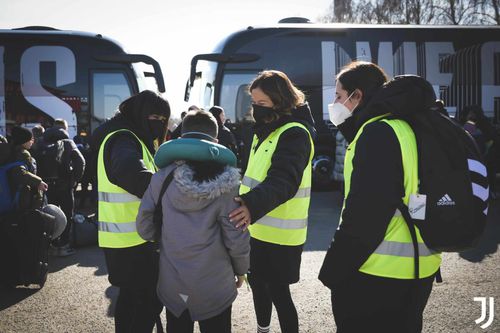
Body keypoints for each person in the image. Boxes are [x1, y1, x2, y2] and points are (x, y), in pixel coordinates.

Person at [318, 61, 441, 333]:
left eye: (338, 96)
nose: (334, 103)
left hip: (378, 274)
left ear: (357, 96)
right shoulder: (404, 127)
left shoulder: (375, 133)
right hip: (420, 268)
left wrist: (334, 271)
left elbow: (366, 214)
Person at [137, 109, 250, 333]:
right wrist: (241, 270)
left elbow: (144, 225)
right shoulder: (227, 184)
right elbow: (236, 237)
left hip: (173, 283)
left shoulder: (161, 178)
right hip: (215, 285)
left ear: (182, 137)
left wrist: (167, 236)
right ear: (216, 142)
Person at [228, 70, 314, 333]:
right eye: (253, 103)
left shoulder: (295, 133)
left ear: (279, 100)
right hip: (255, 228)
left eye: (261, 104)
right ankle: (262, 329)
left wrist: (251, 204)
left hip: (281, 234)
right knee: (258, 288)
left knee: (279, 293)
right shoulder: (261, 132)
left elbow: (284, 180)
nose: (255, 109)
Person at [91, 90, 170, 333]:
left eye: (162, 119)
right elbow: (132, 173)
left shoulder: (126, 134)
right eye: (154, 117)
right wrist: (173, 191)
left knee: (130, 298)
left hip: (125, 237)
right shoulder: (124, 138)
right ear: (139, 113)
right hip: (133, 239)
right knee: (149, 299)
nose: (158, 124)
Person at [37, 119, 85, 256]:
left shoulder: (41, 142)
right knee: (66, 214)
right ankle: (63, 245)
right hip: (64, 185)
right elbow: (80, 162)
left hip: (46, 185)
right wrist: (74, 179)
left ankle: (50, 245)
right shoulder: (68, 143)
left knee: (49, 214)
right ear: (64, 129)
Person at [4, 126, 48, 210]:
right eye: (31, 139)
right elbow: (20, 173)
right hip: (21, 199)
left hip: (9, 195)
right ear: (23, 141)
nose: (33, 141)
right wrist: (38, 182)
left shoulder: (9, 151)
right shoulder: (22, 154)